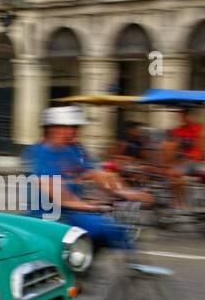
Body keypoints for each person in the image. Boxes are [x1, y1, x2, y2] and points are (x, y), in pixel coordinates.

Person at [23, 106, 149, 250]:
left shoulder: (75, 149)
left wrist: (126, 192)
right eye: (68, 127)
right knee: (105, 229)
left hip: (73, 211)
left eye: (75, 127)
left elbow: (96, 173)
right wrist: (92, 206)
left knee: (113, 230)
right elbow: (56, 192)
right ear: (52, 128)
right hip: (49, 216)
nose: (73, 132)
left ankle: (129, 266)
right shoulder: (39, 153)